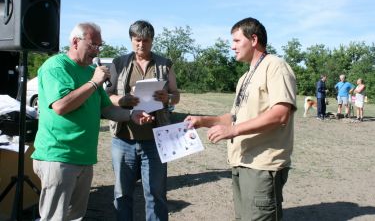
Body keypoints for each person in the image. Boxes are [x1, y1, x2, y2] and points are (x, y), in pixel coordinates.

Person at [31, 22, 153, 220]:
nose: (96, 51)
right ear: (75, 42)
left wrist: (132, 115)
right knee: (55, 217)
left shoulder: (89, 72)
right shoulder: (56, 66)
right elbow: (61, 106)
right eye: (93, 45)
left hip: (84, 158)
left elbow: (107, 109)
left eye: (99, 46)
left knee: (75, 216)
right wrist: (94, 82)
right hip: (59, 156)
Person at [185, 17, 297, 221]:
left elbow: (281, 113)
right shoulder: (244, 78)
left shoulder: (275, 66)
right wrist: (202, 120)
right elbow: (234, 118)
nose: (232, 47)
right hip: (241, 163)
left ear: (253, 39)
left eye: (237, 41)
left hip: (262, 167)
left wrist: (234, 131)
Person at [106, 20, 180, 221]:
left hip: (155, 141)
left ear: (152, 41)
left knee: (155, 195)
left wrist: (168, 98)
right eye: (137, 40)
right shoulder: (119, 62)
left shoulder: (165, 64)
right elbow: (108, 96)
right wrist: (122, 100)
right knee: (122, 194)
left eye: (145, 41)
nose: (141, 45)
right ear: (131, 40)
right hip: (123, 139)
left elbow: (176, 95)